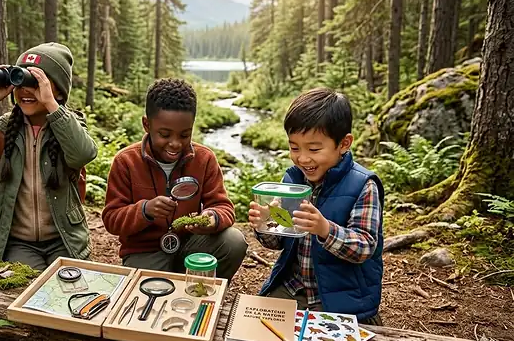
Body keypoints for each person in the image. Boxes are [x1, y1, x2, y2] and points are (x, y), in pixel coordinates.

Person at [0, 42, 97, 270]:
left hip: (64, 239)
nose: (26, 89)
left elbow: (83, 153)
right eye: (21, 80)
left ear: (57, 89)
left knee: (70, 291)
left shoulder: (70, 126)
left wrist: (51, 105)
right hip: (18, 242)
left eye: (35, 82)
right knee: (31, 292)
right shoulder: (3, 129)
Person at [248, 87, 384, 325]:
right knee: (257, 332)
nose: (302, 158)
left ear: (344, 144)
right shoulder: (293, 180)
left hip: (342, 296)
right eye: (294, 147)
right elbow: (280, 240)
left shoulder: (363, 185)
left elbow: (365, 247)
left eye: (314, 149)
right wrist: (263, 224)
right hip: (293, 287)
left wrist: (324, 229)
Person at [102, 78, 247, 281]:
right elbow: (111, 219)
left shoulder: (204, 159)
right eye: (165, 134)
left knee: (234, 241)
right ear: (147, 124)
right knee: (150, 296)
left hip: (190, 246)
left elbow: (223, 207)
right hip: (144, 252)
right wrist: (144, 210)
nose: (175, 144)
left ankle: (202, 287)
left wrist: (211, 218)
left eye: (184, 135)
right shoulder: (126, 161)